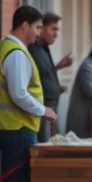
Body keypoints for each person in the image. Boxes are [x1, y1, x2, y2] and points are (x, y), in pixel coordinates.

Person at [0, 5, 58, 182]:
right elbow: (19, 94)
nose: (38, 32)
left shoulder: (3, 48)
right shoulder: (16, 53)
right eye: (37, 27)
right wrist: (43, 110)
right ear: (25, 26)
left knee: (13, 181)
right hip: (18, 127)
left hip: (7, 126)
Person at [26, 12, 74, 143]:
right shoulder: (34, 47)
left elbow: (46, 72)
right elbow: (37, 74)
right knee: (43, 143)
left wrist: (59, 67)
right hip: (43, 107)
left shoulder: (45, 47)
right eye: (53, 29)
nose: (56, 34)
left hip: (51, 105)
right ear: (41, 29)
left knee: (51, 142)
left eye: (57, 30)